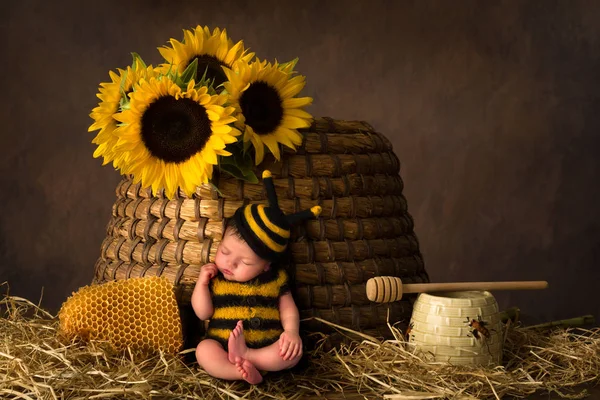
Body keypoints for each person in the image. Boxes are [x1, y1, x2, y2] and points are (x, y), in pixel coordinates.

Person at [191, 170, 322, 384]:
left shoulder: (275, 279)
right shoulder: (217, 278)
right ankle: (237, 371)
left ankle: (250, 358)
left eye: (246, 262)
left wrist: (291, 333)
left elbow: (288, 308)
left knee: (292, 354)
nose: (230, 263)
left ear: (265, 266)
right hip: (221, 344)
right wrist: (201, 284)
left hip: (264, 346)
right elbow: (203, 312)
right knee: (204, 350)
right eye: (224, 251)